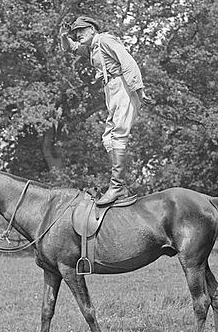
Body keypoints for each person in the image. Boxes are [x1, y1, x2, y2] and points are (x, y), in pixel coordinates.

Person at [59, 15, 151, 206]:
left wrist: (139, 90)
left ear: (92, 29)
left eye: (81, 31)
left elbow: (127, 62)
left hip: (123, 85)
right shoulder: (93, 47)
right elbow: (72, 48)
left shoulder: (105, 40)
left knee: (118, 134)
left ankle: (116, 187)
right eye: (75, 33)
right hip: (111, 89)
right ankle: (120, 186)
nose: (78, 35)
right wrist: (63, 36)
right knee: (108, 138)